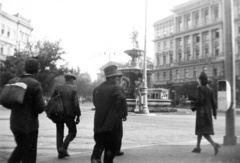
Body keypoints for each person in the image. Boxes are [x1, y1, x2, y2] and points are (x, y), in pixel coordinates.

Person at [7, 58, 45, 163]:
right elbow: (40, 108)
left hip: (14, 123)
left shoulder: (14, 81)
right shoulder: (35, 84)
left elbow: (7, 101)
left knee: (21, 148)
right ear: (37, 70)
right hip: (30, 126)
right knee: (29, 155)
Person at [91, 65, 127, 163]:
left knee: (99, 143)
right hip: (112, 122)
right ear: (111, 77)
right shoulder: (116, 88)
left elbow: (95, 103)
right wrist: (123, 114)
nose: (118, 79)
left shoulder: (96, 89)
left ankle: (95, 158)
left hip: (99, 121)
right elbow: (122, 99)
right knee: (111, 145)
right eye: (116, 77)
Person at [51, 73, 81, 159]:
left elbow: (52, 100)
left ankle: (60, 153)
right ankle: (63, 147)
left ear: (65, 79)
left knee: (59, 132)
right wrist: (78, 115)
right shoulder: (73, 88)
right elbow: (75, 104)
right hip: (69, 114)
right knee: (72, 132)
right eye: (73, 81)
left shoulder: (57, 87)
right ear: (71, 80)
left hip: (58, 113)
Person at [191, 71, 220, 155]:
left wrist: (193, 103)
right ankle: (197, 147)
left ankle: (214, 145)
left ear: (200, 80)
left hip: (201, 113)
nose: (198, 81)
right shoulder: (210, 89)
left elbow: (200, 100)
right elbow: (213, 103)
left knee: (203, 131)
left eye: (198, 79)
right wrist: (214, 113)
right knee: (201, 130)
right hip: (208, 112)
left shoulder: (200, 88)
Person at [115, 81, 128, 156]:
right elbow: (123, 101)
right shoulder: (119, 89)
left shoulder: (99, 88)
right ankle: (116, 150)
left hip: (104, 115)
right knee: (118, 133)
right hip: (117, 115)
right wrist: (124, 114)